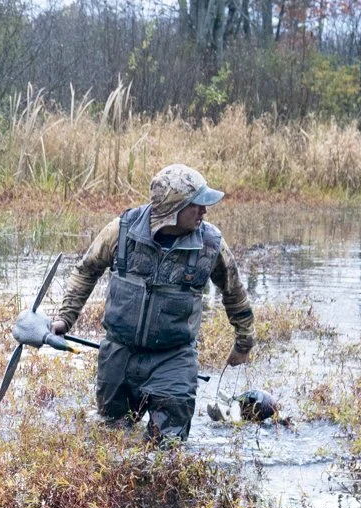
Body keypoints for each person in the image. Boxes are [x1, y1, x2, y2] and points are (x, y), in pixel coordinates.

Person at [50, 164, 254, 444]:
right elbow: (86, 271)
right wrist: (64, 318)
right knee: (111, 439)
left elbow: (234, 291)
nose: (204, 212)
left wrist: (244, 342)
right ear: (174, 208)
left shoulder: (211, 245)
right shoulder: (120, 232)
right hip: (119, 353)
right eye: (197, 205)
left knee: (166, 448)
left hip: (174, 356)